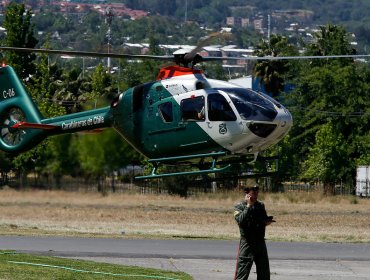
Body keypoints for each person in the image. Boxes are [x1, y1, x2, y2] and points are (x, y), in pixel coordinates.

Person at [233, 185, 273, 280]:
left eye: (257, 193)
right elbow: (240, 221)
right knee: (242, 271)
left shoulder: (260, 205)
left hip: (260, 242)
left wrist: (266, 222)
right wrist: (248, 206)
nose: (255, 196)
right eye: (253, 194)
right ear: (247, 194)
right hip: (247, 243)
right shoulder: (239, 206)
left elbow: (263, 218)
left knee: (264, 272)